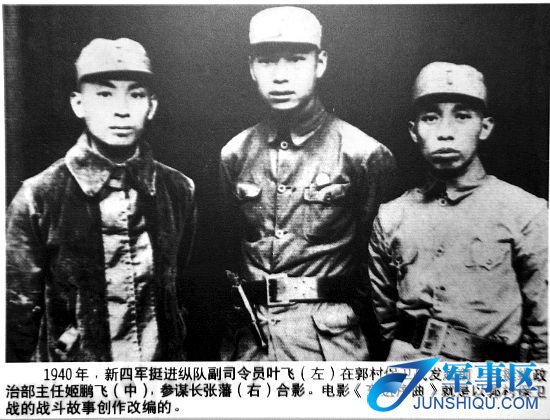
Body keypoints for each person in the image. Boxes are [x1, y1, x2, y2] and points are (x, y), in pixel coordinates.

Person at [219, 6, 397, 361]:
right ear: (252, 68)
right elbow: (227, 247)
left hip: (328, 342)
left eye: (297, 60)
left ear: (321, 63)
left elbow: (377, 267)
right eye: (267, 61)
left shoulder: (363, 154)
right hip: (251, 340)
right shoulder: (234, 154)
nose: (280, 76)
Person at [6, 38, 196, 362]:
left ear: (152, 106)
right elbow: (17, 315)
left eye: (136, 94)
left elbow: (183, 291)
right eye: (105, 94)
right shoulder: (38, 197)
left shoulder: (178, 190)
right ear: (78, 104)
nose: (122, 110)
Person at [368, 61, 548, 361]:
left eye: (462, 117)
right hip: (408, 373)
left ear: (485, 127)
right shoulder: (391, 217)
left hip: (488, 378)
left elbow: (545, 328)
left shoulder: (527, 213)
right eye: (430, 118)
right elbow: (384, 316)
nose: (445, 132)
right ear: (413, 131)